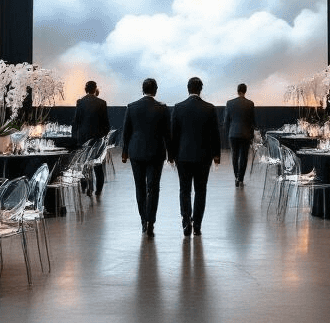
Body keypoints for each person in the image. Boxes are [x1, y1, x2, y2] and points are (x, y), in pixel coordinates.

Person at [169, 76, 221, 237]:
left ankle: (186, 222)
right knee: (201, 190)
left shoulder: (178, 107)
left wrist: (171, 155)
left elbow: (173, 134)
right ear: (201, 89)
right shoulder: (210, 108)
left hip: (183, 156)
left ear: (188, 89)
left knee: (184, 190)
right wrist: (216, 155)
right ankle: (197, 225)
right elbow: (215, 134)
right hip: (203, 157)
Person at [121, 78, 171, 237]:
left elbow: (126, 132)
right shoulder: (162, 108)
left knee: (140, 187)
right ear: (155, 90)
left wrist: (124, 152)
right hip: (156, 153)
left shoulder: (132, 107)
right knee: (153, 187)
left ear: (142, 90)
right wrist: (171, 154)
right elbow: (167, 133)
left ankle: (143, 220)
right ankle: (151, 221)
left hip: (136, 152)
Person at [71, 79, 110, 197]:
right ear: (95, 89)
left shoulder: (80, 102)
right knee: (98, 165)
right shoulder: (102, 103)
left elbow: (76, 122)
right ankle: (98, 190)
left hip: (83, 138)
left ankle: (85, 187)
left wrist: (75, 138)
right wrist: (102, 137)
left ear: (85, 89)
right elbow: (106, 124)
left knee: (83, 163)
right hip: (97, 139)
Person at [223, 82, 256, 186]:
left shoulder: (229, 103)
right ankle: (241, 178)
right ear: (245, 91)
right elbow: (252, 121)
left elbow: (226, 121)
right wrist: (252, 134)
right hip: (246, 134)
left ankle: (236, 177)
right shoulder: (250, 104)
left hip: (233, 134)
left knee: (235, 155)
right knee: (244, 157)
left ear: (237, 91)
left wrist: (229, 131)